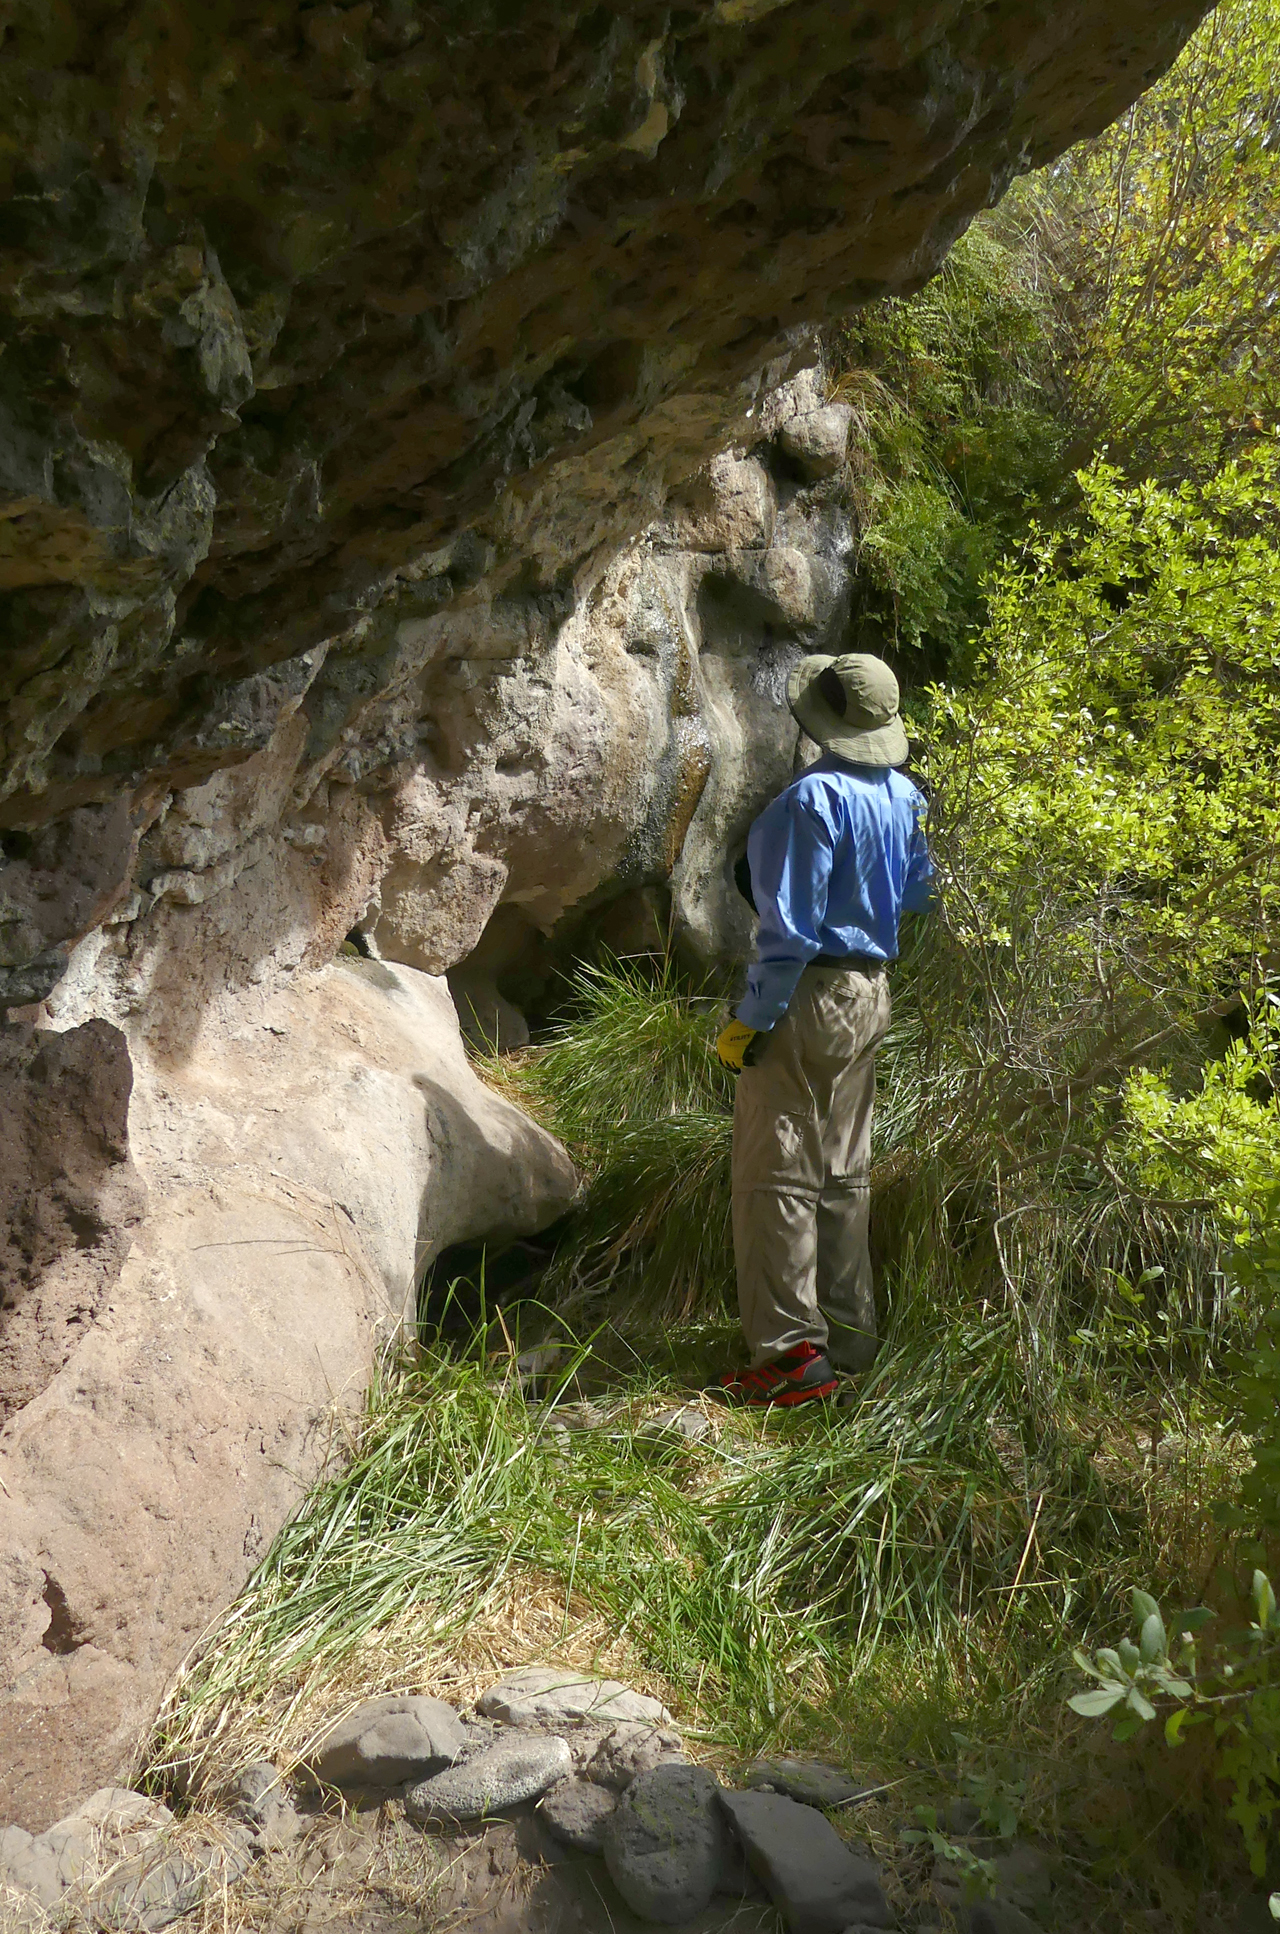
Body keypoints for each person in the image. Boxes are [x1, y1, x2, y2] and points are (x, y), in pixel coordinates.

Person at [714, 649, 934, 1407]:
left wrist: (751, 1020)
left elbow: (790, 932)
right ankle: (850, 1341)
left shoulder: (807, 802)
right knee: (844, 1174)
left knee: (775, 1174)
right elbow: (920, 897)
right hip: (871, 993)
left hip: (806, 994)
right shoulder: (905, 797)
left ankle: (789, 1359)